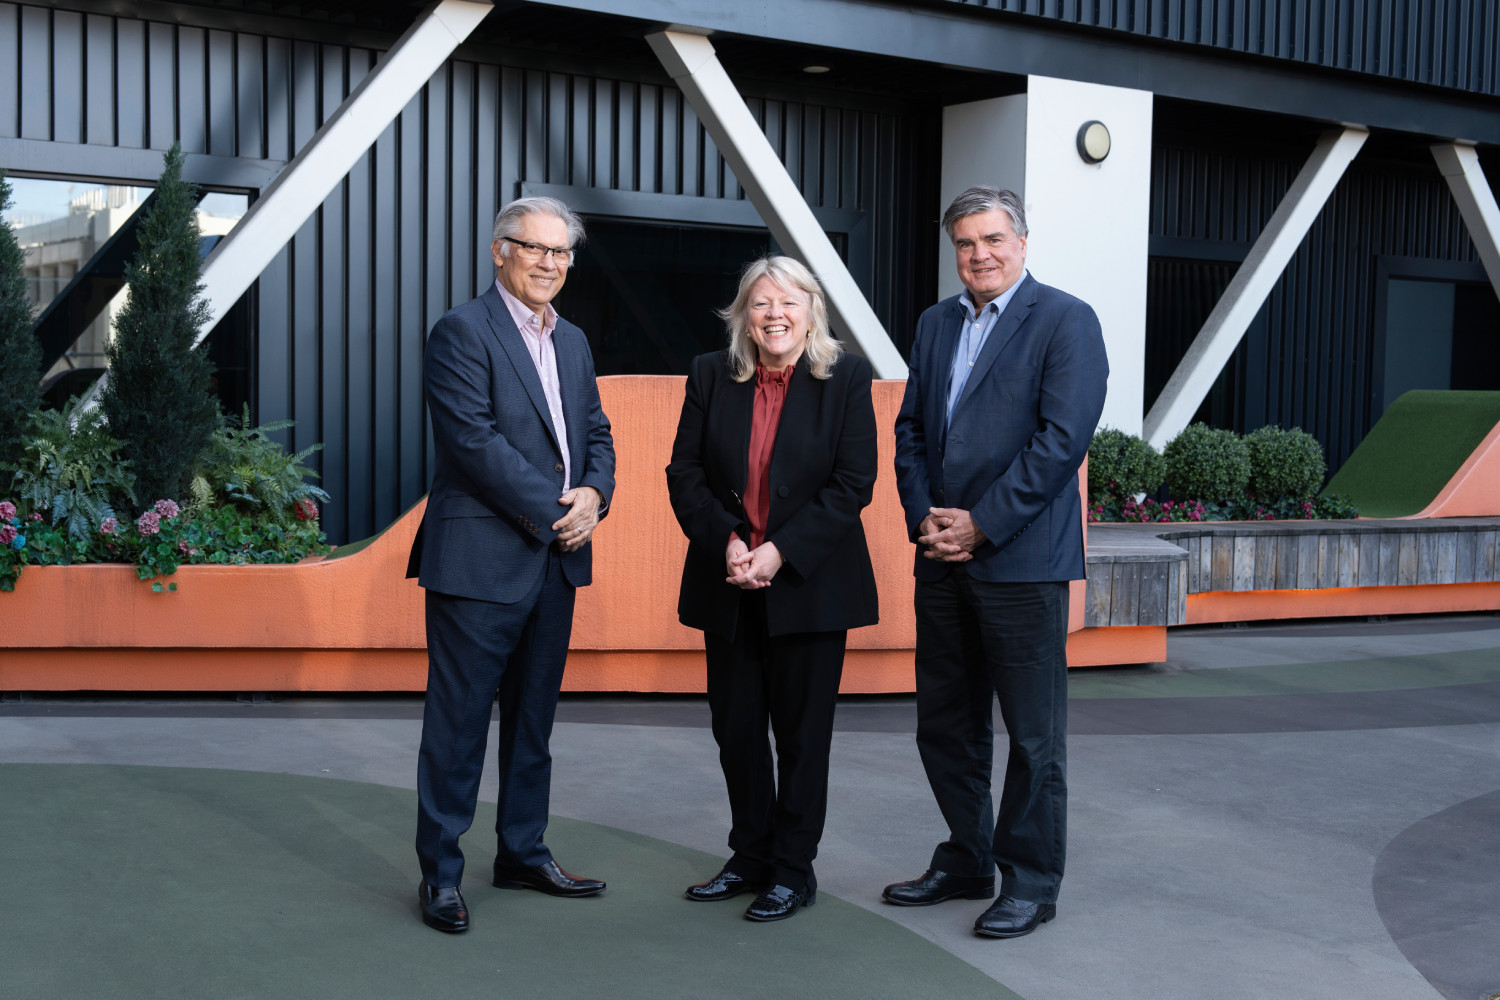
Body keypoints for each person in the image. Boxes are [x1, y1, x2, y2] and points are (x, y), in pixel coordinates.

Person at [885, 186, 1108, 938]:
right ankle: (966, 856)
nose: (978, 254)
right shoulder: (935, 323)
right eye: (965, 243)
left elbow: (1061, 441)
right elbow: (911, 429)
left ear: (1021, 241)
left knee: (1033, 736)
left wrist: (981, 524)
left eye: (992, 239)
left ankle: (1031, 881)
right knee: (945, 726)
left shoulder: (1066, 320)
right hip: (941, 557)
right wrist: (927, 520)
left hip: (1021, 560)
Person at [406, 196, 616, 933]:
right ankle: (440, 875)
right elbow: (473, 443)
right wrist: (563, 511)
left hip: (555, 562)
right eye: (535, 249)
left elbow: (595, 431)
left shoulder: (576, 341)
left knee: (534, 724)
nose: (550, 264)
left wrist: (595, 492)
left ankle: (523, 852)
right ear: (500, 250)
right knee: (459, 726)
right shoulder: (462, 332)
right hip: (481, 561)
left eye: (561, 253)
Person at [665, 256, 879, 922]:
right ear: (743, 316)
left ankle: (793, 869)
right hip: (728, 582)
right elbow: (685, 473)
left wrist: (779, 553)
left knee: (801, 737)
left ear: (812, 311)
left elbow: (853, 483)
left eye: (788, 302)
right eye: (760, 304)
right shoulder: (709, 373)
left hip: (811, 587)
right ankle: (750, 856)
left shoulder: (844, 378)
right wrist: (729, 540)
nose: (774, 315)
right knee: (736, 731)